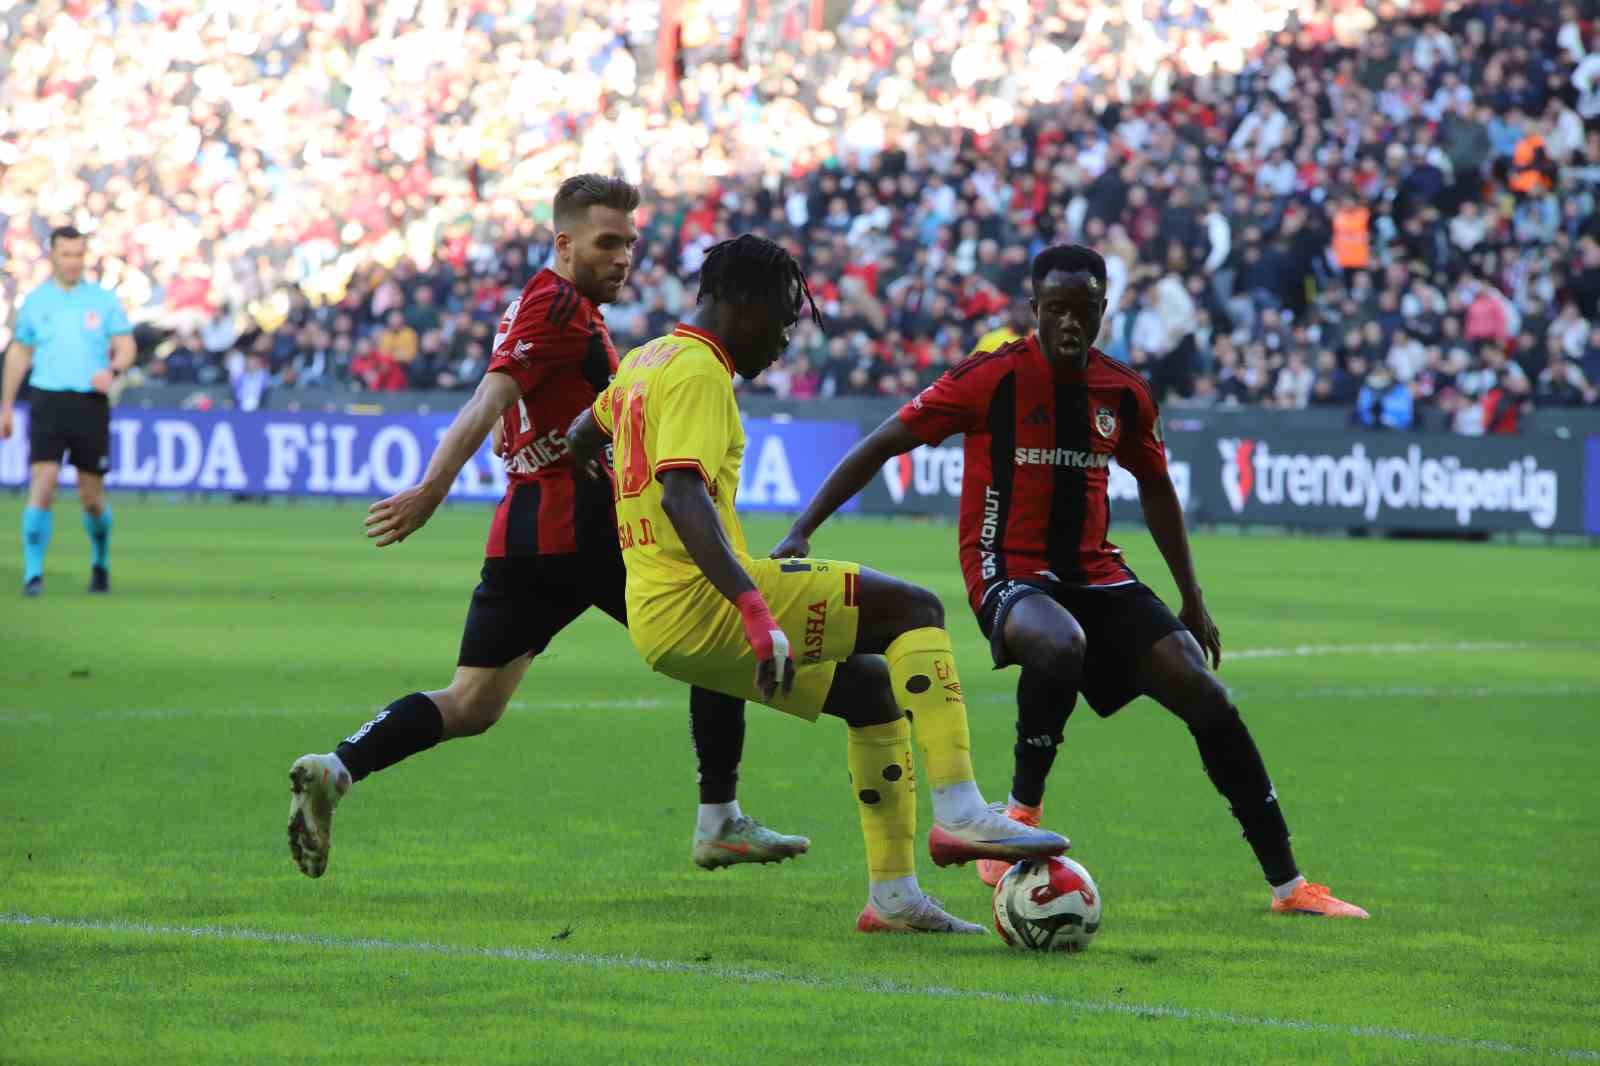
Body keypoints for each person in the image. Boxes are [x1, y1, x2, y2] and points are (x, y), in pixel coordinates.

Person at [774, 245, 1369, 919]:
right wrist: (803, 527)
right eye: (1055, 310)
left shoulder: (1122, 391)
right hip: (1007, 568)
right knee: (1058, 643)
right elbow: (883, 441)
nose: (1068, 324)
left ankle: (1290, 887)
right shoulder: (990, 378)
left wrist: (1192, 598)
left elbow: (1157, 491)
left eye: (1082, 311)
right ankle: (1019, 813)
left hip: (1097, 572)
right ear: (1034, 311)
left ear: (1102, 312)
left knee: (1205, 693)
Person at [284, 176, 805, 881]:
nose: (623, 258)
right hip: (586, 520)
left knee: (471, 703)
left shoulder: (558, 304)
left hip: (525, 530)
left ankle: (338, 767)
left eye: (629, 243)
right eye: (606, 243)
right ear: (564, 243)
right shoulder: (556, 306)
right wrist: (432, 488)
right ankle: (719, 820)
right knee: (711, 626)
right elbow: (490, 397)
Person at [567, 235, 1067, 934]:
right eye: (781, 317)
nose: (783, 337)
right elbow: (682, 492)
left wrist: (621, 512)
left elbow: (577, 436)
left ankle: (893, 898)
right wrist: (751, 606)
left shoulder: (647, 359)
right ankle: (961, 810)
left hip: (657, 615)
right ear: (741, 301)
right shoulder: (699, 371)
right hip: (705, 603)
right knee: (915, 608)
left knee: (871, 690)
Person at [1, 225, 135, 597]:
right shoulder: (36, 302)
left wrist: (113, 371)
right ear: (53, 256)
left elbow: (126, 346)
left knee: (91, 497)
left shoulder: (103, 300)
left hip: (89, 404)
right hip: (47, 399)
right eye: (66, 254)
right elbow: (19, 352)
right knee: (42, 484)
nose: (73, 261)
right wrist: (7, 405)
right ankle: (32, 574)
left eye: (79, 254)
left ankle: (100, 560)